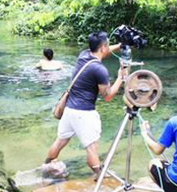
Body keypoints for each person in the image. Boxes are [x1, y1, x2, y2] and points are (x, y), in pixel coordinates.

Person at [43, 31, 125, 176]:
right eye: (107, 45)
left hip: (69, 110)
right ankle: (99, 174)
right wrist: (120, 78)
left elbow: (103, 51)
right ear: (103, 47)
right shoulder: (99, 69)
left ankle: (45, 167)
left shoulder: (84, 55)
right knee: (92, 148)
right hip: (84, 113)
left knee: (60, 141)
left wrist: (119, 46)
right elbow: (107, 96)